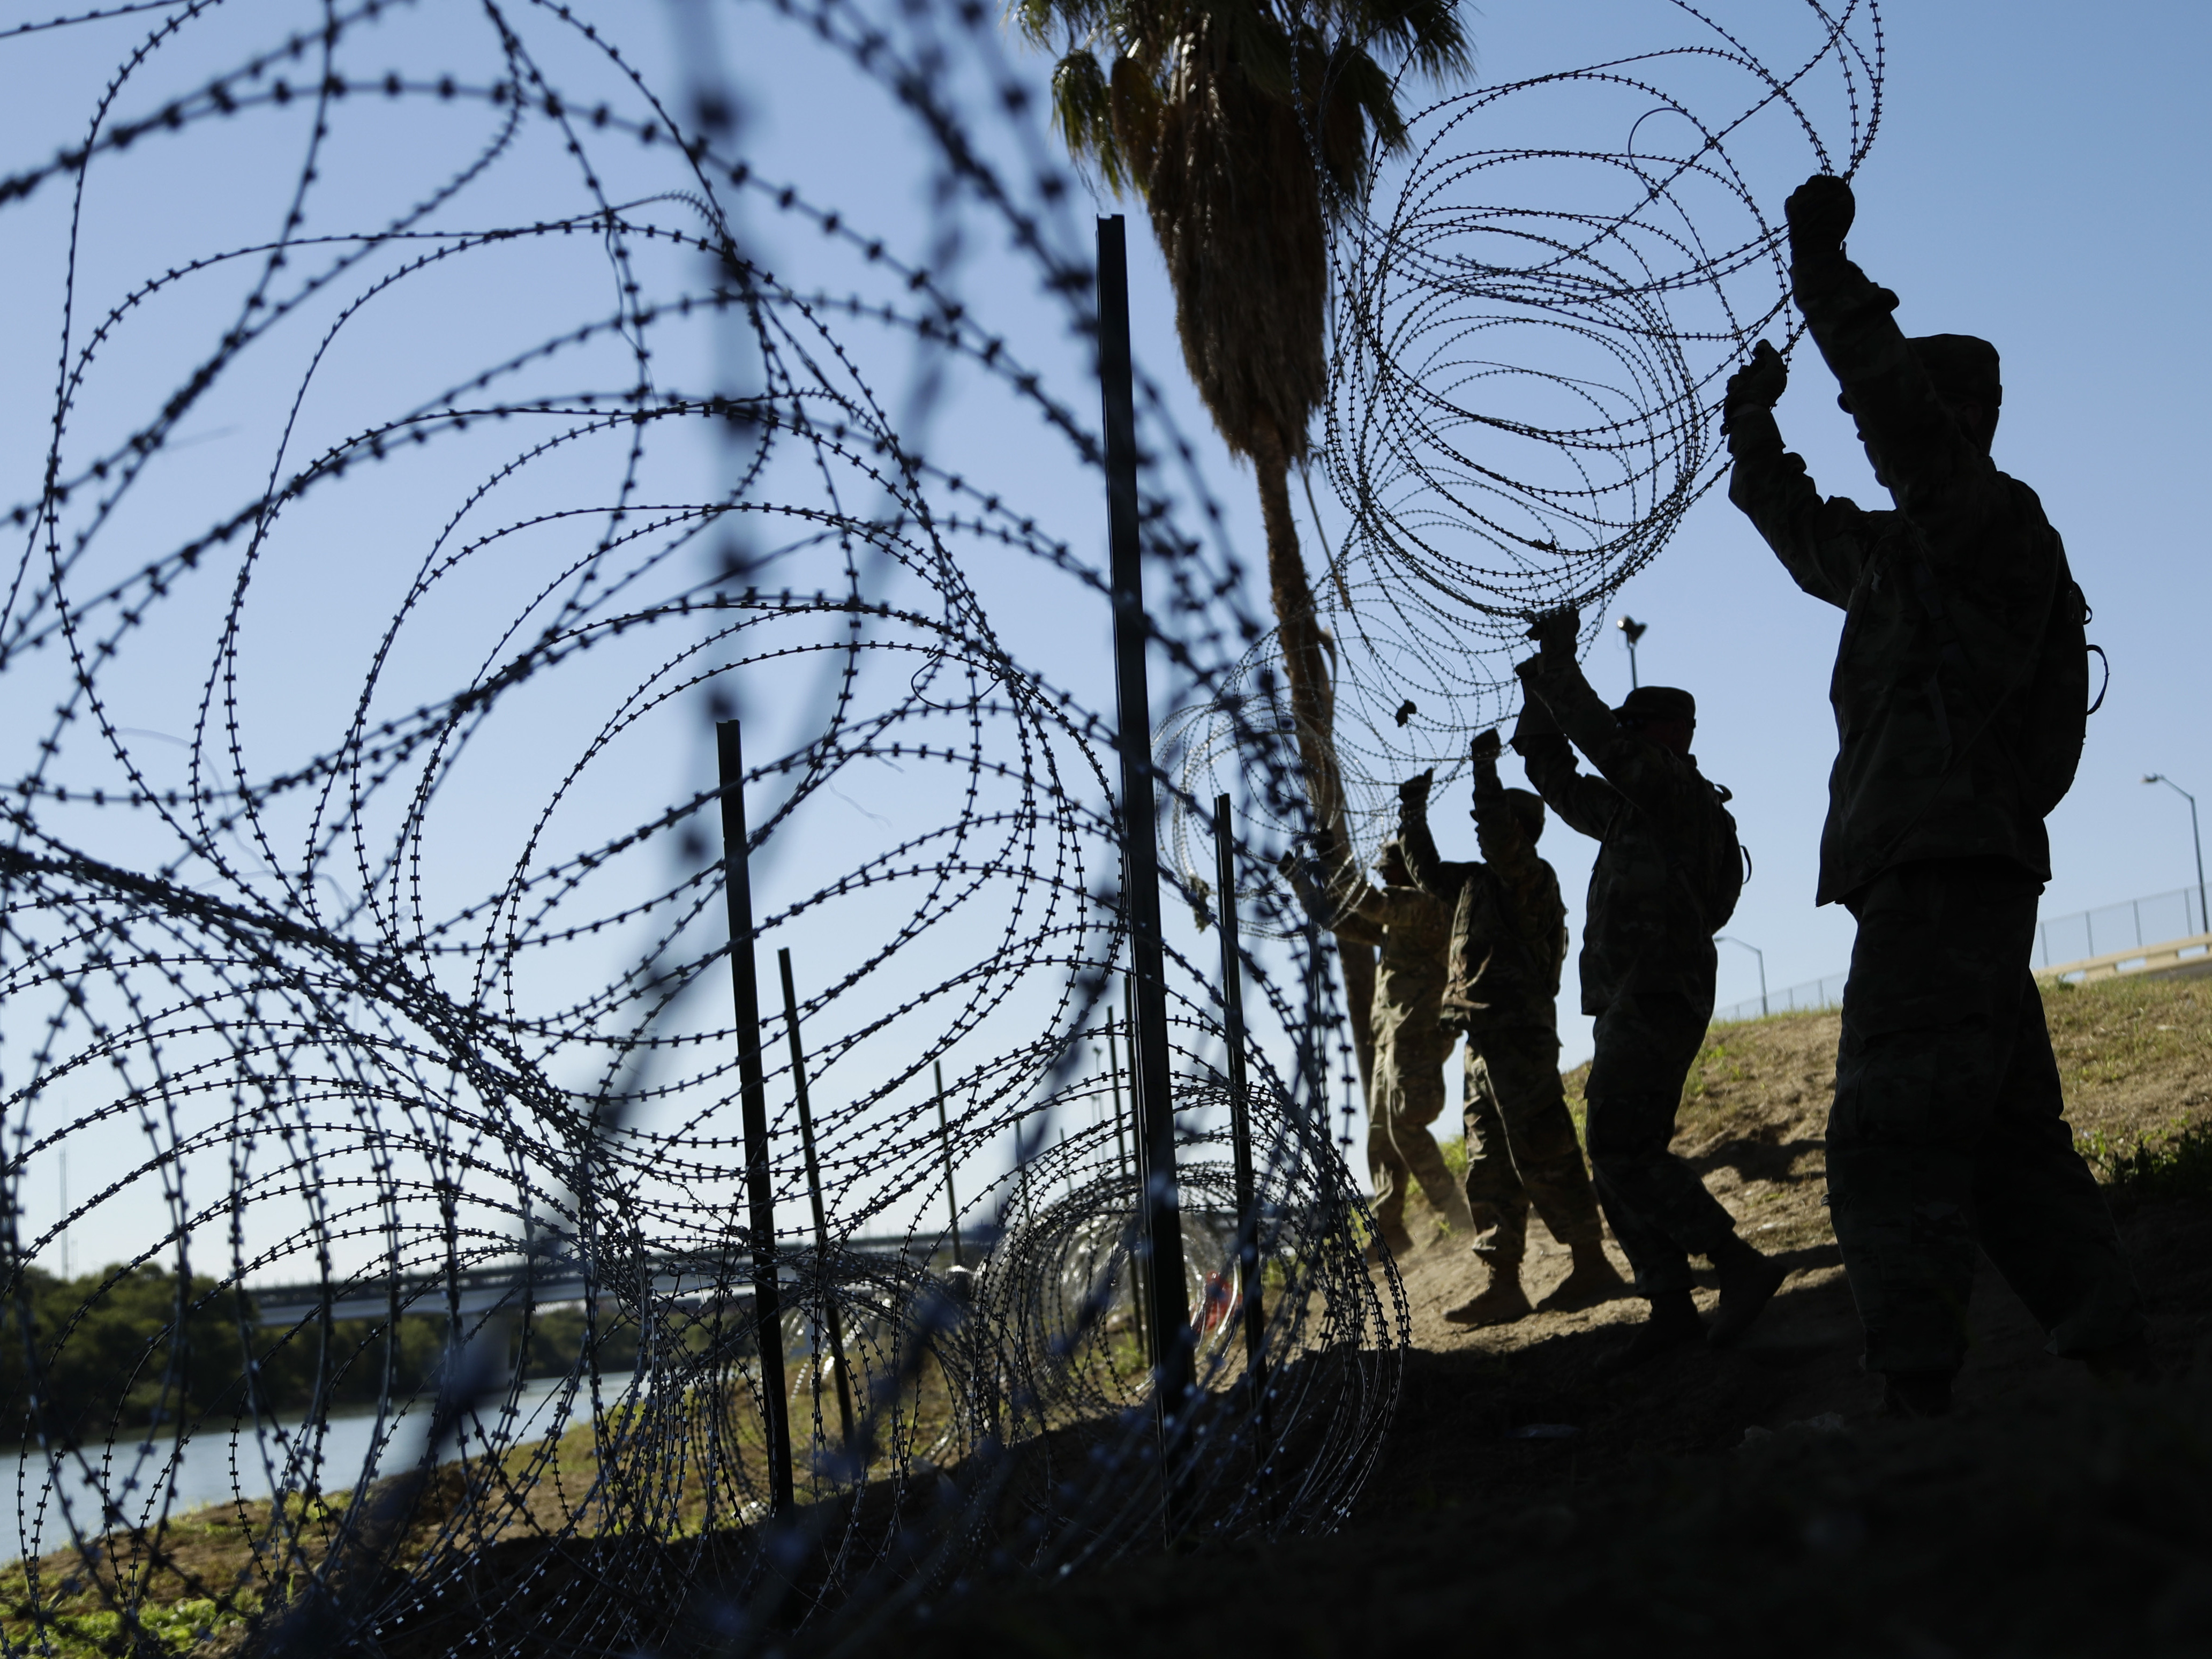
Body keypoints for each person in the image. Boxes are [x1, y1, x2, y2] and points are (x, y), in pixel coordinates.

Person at [1722, 172, 2147, 1415]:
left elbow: (1892, 413)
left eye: (1914, 412)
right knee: (2007, 1149)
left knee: (1883, 1141)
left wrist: (1820, 278)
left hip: (1944, 865)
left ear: (1963, 418)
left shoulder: (1990, 525)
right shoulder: (1900, 557)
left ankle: (1912, 1405)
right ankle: (2121, 1368)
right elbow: (1796, 524)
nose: (1883, 433)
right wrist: (1752, 428)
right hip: (1937, 866)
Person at [1513, 612, 1788, 1366]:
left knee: (1623, 1146)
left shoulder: (1673, 791)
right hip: (1633, 991)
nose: (1624, 746)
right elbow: (1555, 776)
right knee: (1616, 1149)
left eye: (1637, 732)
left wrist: (1559, 660)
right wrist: (1538, 691)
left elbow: (1597, 741)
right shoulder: (1638, 808)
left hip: (1658, 985)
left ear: (1666, 735)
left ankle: (1734, 1265)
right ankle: (1669, 1302)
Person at [1398, 732, 1626, 1325]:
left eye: (1494, 827)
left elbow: (1496, 835)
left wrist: (1484, 772)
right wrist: (1412, 813)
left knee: (1542, 1146)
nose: (1482, 834)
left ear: (1518, 832)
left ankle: (1589, 1261)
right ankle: (1504, 1281)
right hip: (1481, 1037)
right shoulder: (1476, 883)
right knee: (1487, 1160)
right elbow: (1423, 871)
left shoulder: (1529, 878)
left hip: (1518, 1034)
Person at [1289, 839, 1476, 1256]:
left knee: (1405, 1125)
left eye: (1390, 870)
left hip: (1418, 1035)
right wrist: (1301, 882)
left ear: (1409, 870)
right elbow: (1343, 921)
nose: (1384, 877)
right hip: (1392, 1038)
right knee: (1380, 1135)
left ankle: (1459, 1217)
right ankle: (1390, 1228)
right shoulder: (1398, 919)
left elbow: (1369, 903)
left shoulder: (1425, 906)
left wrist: (1336, 866)